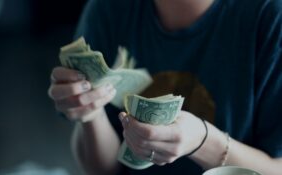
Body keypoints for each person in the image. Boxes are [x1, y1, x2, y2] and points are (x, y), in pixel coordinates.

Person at [48, 0, 282, 174]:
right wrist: (90, 115)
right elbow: (104, 171)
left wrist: (204, 142)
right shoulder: (108, 8)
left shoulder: (271, 16)